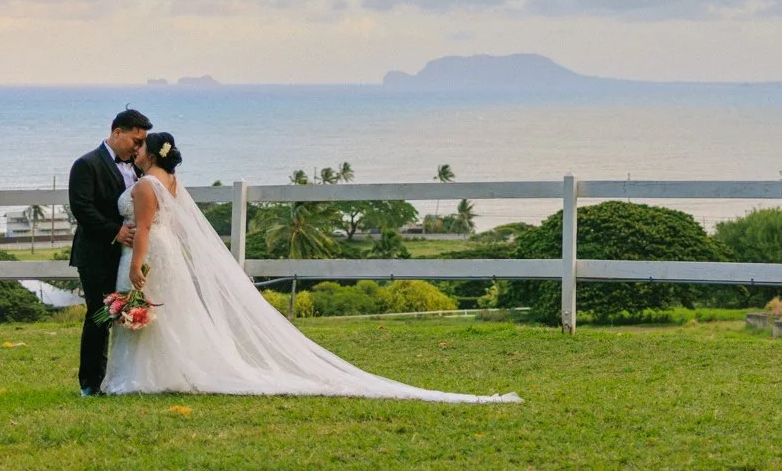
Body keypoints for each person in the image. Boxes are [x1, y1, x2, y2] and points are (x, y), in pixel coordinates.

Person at [100, 132, 517, 402]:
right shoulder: (171, 182)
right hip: (168, 253)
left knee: (152, 308)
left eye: (140, 148)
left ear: (151, 153)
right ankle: (167, 370)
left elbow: (147, 229)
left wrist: (137, 263)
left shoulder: (144, 185)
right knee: (171, 313)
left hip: (152, 254)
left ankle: (144, 376)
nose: (135, 152)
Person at [68, 108, 150, 396]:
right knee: (100, 315)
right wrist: (115, 231)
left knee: (133, 315)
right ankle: (91, 382)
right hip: (97, 254)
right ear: (117, 132)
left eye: (142, 143)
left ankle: (126, 377)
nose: (139, 147)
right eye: (135, 140)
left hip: (129, 257)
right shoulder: (86, 164)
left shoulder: (139, 168)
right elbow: (82, 208)